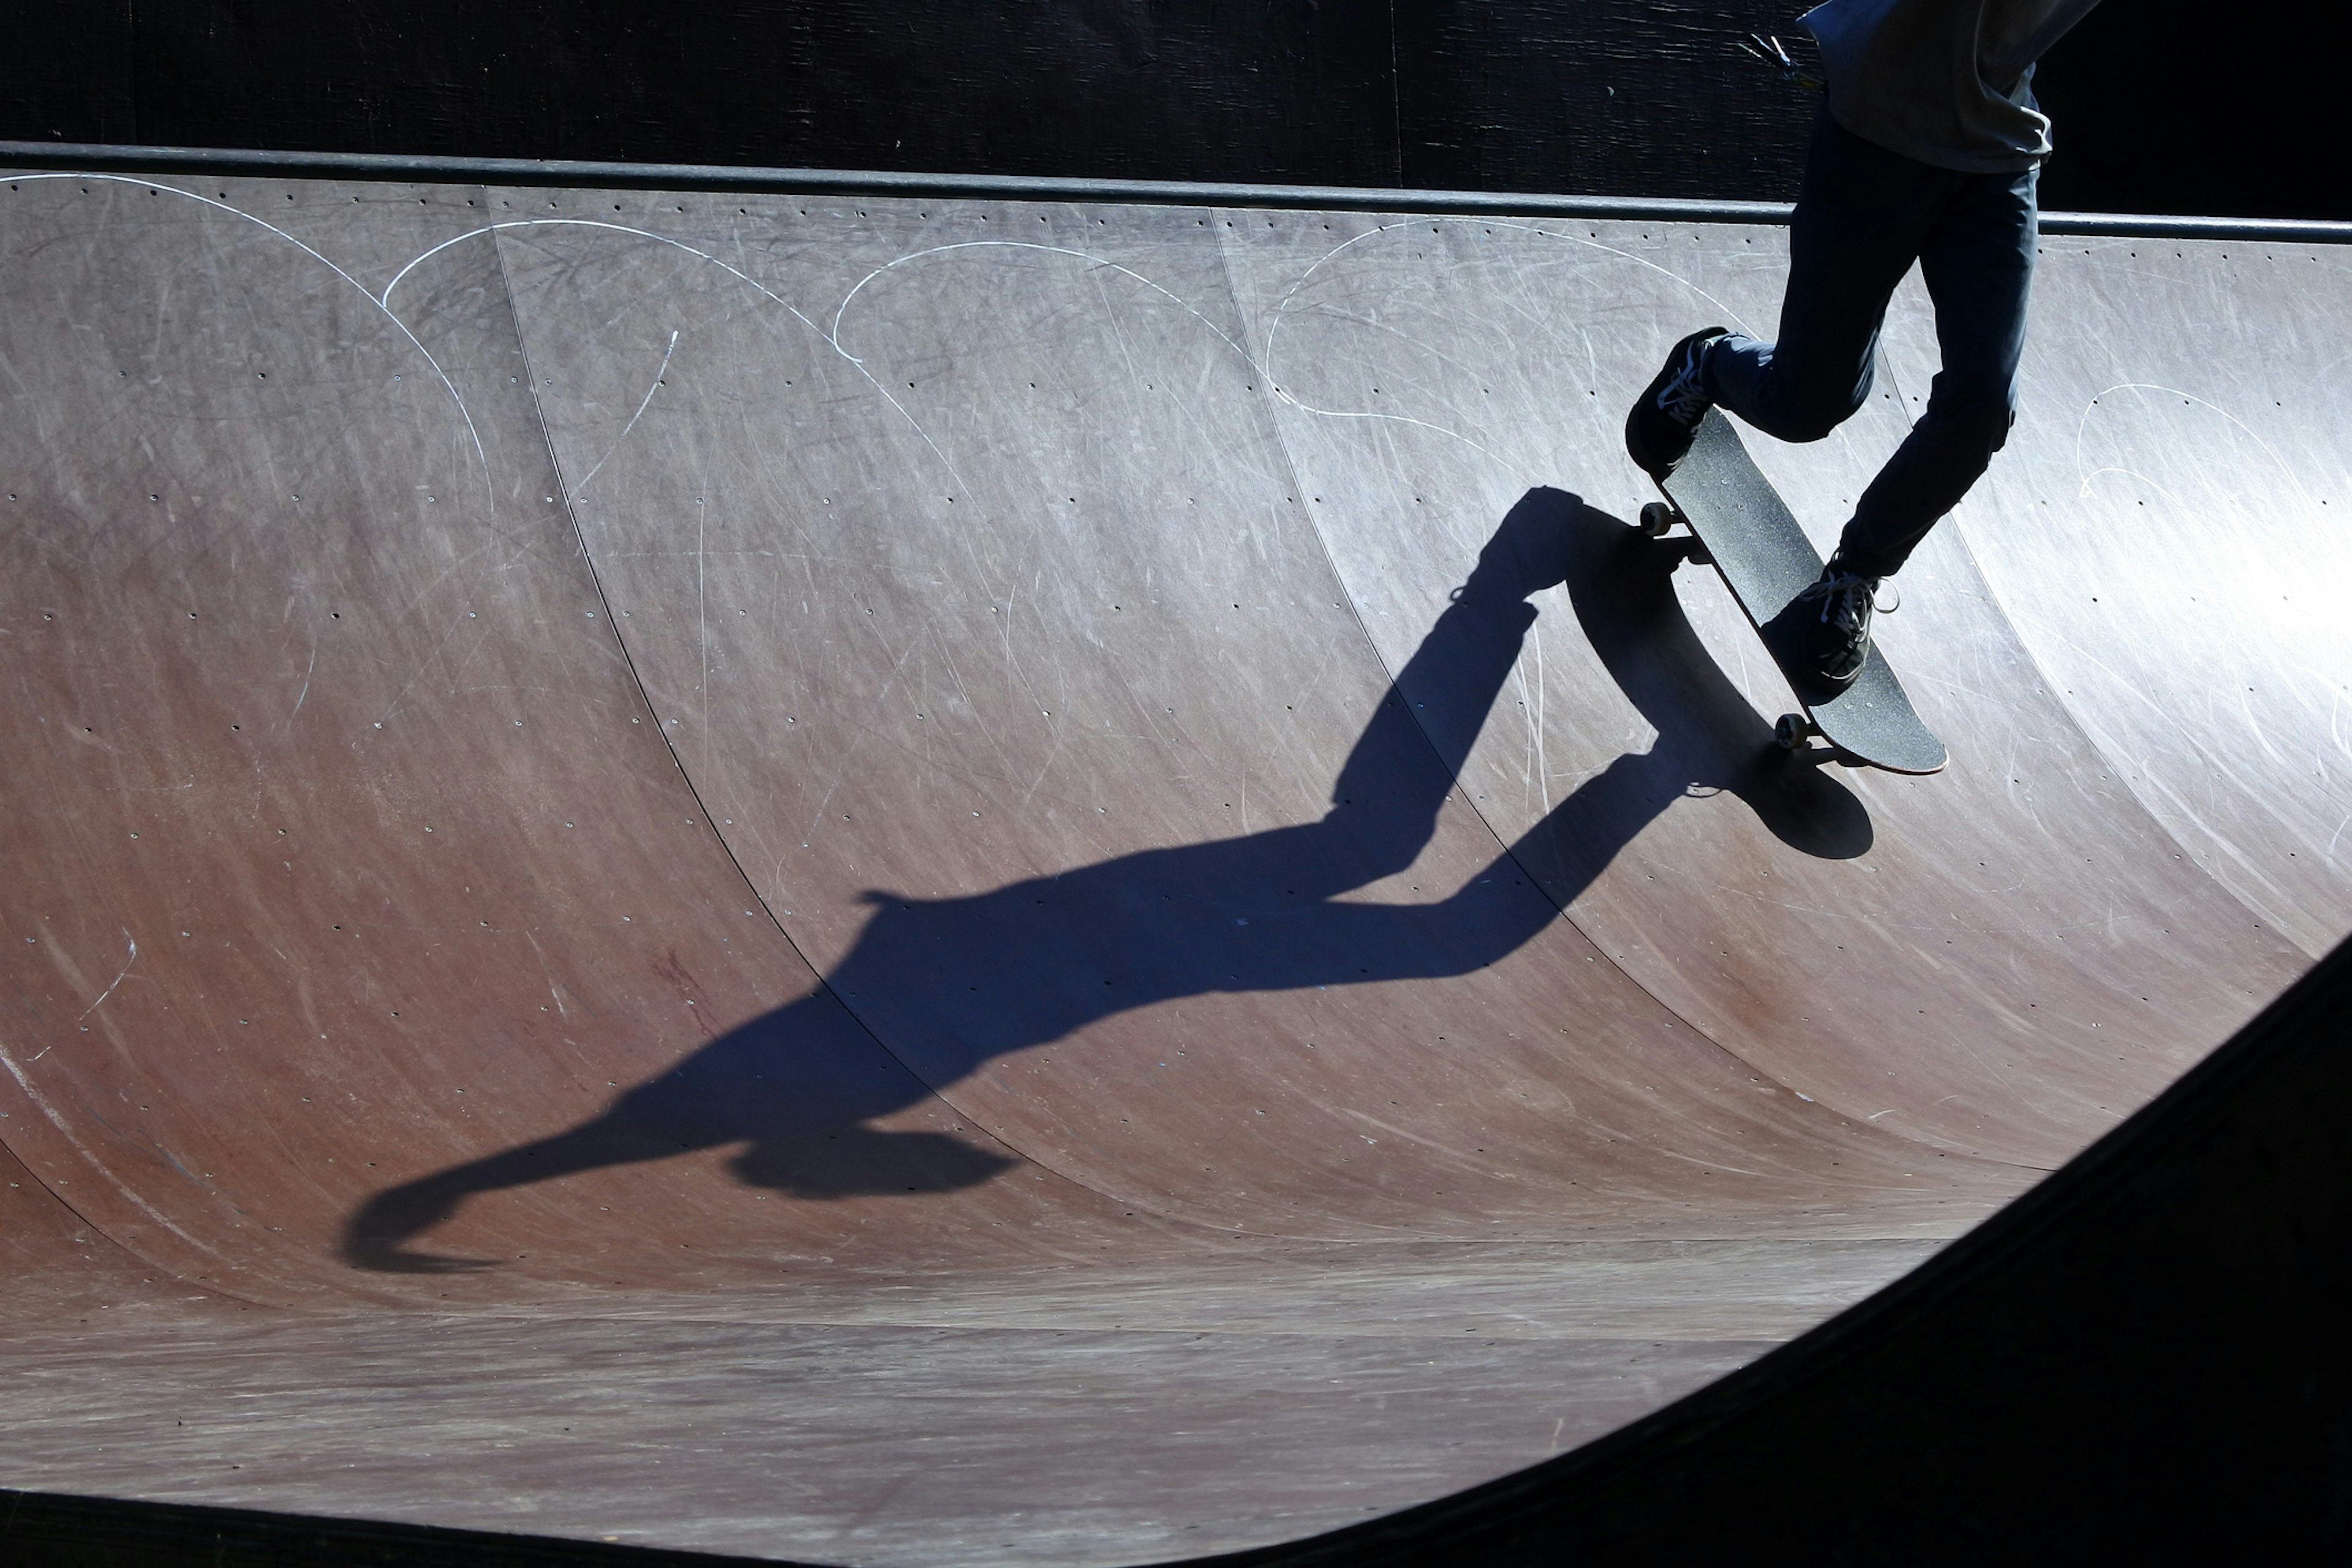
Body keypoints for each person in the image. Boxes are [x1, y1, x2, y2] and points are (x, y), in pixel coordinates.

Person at [1626, 0, 2103, 687]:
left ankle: (1856, 574)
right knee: (1806, 405)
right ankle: (1712, 363)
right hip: (1875, 140)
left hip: (1998, 159)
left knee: (1983, 407)